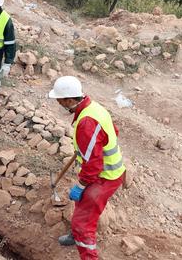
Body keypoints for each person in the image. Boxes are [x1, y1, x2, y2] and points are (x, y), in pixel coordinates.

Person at [48, 76, 126, 260]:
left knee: (83, 224)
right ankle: (76, 236)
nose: (58, 103)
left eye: (59, 100)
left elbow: (93, 166)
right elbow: (113, 131)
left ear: (69, 99)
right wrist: (88, 146)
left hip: (104, 177)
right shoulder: (93, 107)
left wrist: (81, 185)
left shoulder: (86, 123)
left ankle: (87, 251)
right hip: (104, 173)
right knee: (81, 205)